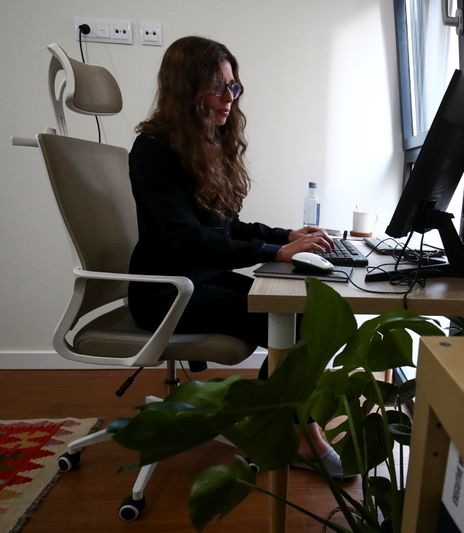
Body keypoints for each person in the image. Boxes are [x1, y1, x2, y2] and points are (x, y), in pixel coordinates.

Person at [127, 36, 340, 475]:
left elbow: (225, 230)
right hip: (169, 292)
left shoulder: (205, 146)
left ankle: (280, 426)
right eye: (218, 87)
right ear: (185, 90)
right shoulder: (152, 151)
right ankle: (299, 434)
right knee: (297, 325)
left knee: (306, 314)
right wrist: (276, 250)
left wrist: (286, 235)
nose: (229, 98)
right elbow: (188, 240)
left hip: (203, 278)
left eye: (234, 87)